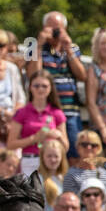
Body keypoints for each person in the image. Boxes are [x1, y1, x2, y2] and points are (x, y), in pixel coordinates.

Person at [24, 11, 85, 158]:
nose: (54, 32)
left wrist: (68, 48)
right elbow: (32, 74)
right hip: (46, 111)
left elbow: (82, 75)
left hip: (70, 110)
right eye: (50, 28)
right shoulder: (32, 46)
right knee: (48, 154)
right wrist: (38, 45)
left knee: (74, 155)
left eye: (58, 29)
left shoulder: (72, 47)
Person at [6, 71, 65, 177]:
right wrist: (34, 138)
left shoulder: (57, 113)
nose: (40, 89)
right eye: (36, 86)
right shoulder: (22, 112)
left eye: (44, 86)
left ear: (50, 88)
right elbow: (11, 144)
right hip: (30, 161)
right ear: (30, 87)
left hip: (52, 161)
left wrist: (59, 136)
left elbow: (66, 146)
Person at [61, 129, 106, 198]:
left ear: (99, 149)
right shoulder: (71, 174)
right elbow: (69, 199)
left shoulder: (103, 173)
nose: (89, 147)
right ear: (77, 147)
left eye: (93, 145)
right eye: (84, 144)